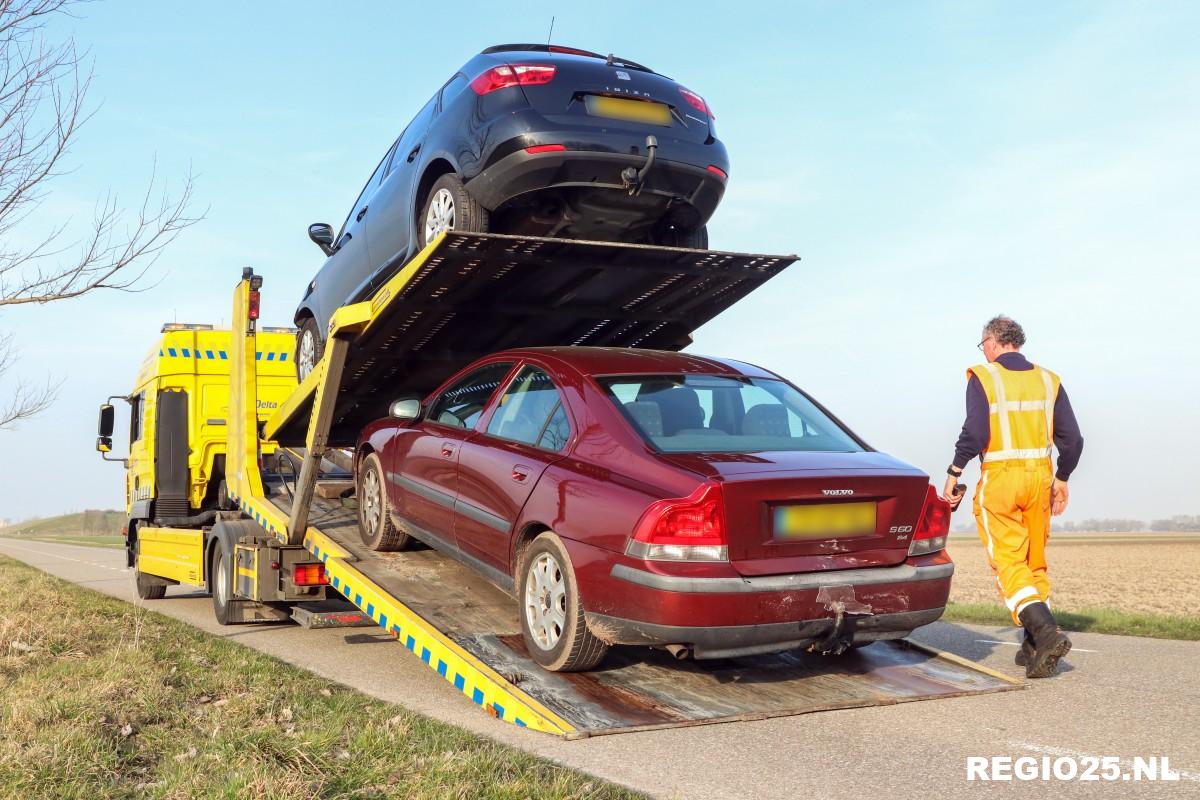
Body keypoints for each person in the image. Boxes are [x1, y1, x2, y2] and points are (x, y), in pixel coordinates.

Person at [943, 316, 1084, 678]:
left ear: (992, 342)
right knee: (1032, 561)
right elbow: (1074, 439)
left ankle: (1046, 632)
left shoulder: (984, 375)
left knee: (1008, 562)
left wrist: (955, 472)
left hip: (1002, 480)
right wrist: (1062, 477)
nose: (983, 352)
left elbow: (974, 433)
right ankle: (1033, 644)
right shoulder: (1048, 380)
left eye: (982, 345)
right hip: (1040, 480)